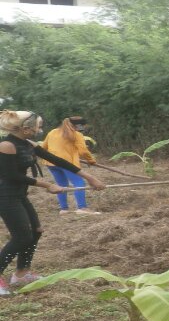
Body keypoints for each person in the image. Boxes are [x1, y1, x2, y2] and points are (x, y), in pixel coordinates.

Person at [0, 110, 105, 296]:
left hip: (19, 195)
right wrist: (47, 184)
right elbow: (11, 175)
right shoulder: (6, 145)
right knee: (21, 237)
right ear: (25, 129)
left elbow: (57, 160)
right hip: (5, 195)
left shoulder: (29, 144)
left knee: (35, 232)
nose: (40, 130)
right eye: (38, 126)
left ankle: (22, 273)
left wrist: (88, 177)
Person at [41, 116, 100, 214]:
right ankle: (82, 208)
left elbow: (43, 147)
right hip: (66, 163)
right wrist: (91, 160)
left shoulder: (52, 132)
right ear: (79, 126)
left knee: (61, 185)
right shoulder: (76, 135)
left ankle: (64, 209)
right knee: (79, 182)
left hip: (51, 163)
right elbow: (83, 151)